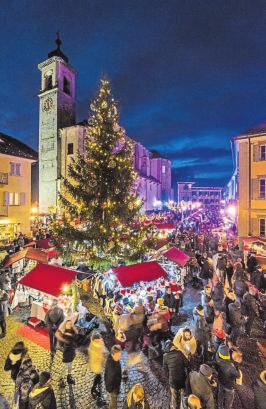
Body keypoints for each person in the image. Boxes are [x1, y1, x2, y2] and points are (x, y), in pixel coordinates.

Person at [163, 335, 189, 408]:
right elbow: (187, 364)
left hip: (173, 381)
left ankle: (174, 406)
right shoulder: (179, 353)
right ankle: (183, 405)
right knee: (183, 394)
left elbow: (165, 370)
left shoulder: (165, 356)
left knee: (174, 396)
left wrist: (169, 378)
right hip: (182, 379)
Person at [215, 345, 241, 409]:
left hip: (221, 381)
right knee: (229, 400)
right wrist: (237, 366)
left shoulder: (217, 359)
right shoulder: (231, 367)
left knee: (220, 395)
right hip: (229, 386)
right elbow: (238, 376)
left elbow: (216, 369)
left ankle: (219, 406)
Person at [55, 319, 78, 386]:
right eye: (68, 324)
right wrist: (60, 337)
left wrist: (73, 326)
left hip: (72, 352)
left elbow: (76, 335)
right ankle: (60, 379)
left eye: (70, 324)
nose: (69, 325)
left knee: (70, 365)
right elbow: (66, 343)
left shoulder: (72, 331)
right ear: (65, 325)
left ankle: (69, 376)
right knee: (64, 367)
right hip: (67, 353)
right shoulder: (65, 333)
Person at [88, 331, 108, 402]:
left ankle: (95, 388)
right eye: (99, 338)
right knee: (98, 377)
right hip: (97, 366)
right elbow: (101, 355)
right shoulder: (97, 346)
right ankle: (94, 389)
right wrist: (103, 356)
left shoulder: (93, 344)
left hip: (97, 365)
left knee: (98, 377)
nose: (101, 339)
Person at [104, 345, 122, 409]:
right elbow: (110, 379)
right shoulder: (111, 365)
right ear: (113, 354)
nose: (120, 356)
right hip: (113, 388)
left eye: (120, 354)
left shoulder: (114, 358)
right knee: (114, 403)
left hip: (114, 386)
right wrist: (112, 390)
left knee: (112, 401)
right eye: (118, 355)